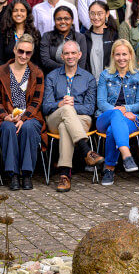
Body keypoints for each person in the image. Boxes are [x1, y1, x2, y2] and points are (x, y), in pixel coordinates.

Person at [42, 40, 101, 192]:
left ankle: (64, 175)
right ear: (62, 56)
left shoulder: (88, 78)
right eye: (66, 53)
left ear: (79, 55)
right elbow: (46, 106)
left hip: (81, 119)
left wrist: (73, 106)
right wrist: (60, 104)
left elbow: (89, 109)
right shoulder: (52, 77)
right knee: (66, 112)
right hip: (55, 117)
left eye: (73, 53)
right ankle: (86, 150)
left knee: (65, 125)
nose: (70, 56)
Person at [0, 34, 46, 190]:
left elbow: (37, 101)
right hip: (6, 116)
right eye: (21, 51)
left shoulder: (37, 73)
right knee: (8, 129)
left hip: (30, 116)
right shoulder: (1, 71)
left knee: (28, 128)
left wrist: (24, 118)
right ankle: (14, 175)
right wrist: (5, 116)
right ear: (15, 50)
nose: (23, 55)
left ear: (31, 54)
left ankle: (27, 174)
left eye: (28, 53)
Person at [95, 39, 139, 185]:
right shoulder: (105, 75)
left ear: (130, 55)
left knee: (112, 130)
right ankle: (126, 155)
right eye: (117, 54)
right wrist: (121, 112)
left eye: (124, 54)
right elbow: (102, 103)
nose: (121, 58)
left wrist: (127, 109)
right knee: (115, 116)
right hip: (105, 117)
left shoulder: (138, 76)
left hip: (131, 119)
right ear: (113, 56)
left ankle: (109, 169)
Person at [0, 0, 41, 67]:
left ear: (27, 13)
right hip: (7, 74)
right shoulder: (4, 33)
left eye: (22, 11)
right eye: (15, 11)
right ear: (11, 13)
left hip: (30, 75)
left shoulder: (35, 34)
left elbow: (37, 60)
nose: (19, 13)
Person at [40, 6, 85, 73]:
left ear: (72, 20)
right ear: (54, 21)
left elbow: (81, 63)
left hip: (75, 77)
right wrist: (67, 68)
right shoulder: (47, 36)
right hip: (52, 77)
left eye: (66, 19)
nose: (63, 22)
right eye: (59, 19)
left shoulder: (80, 37)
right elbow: (45, 61)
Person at [83, 0, 117, 76]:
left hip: (110, 83)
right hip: (90, 84)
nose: (96, 17)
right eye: (92, 14)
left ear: (107, 14)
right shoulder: (84, 37)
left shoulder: (114, 36)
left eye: (99, 14)